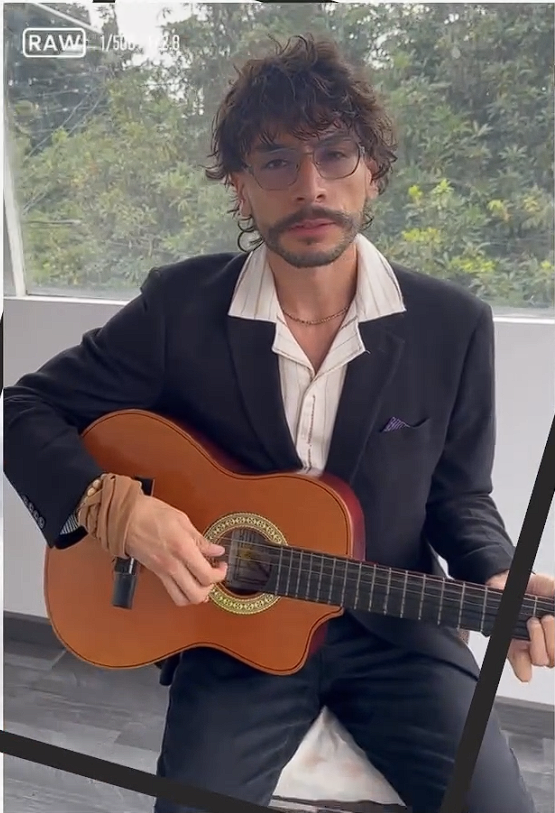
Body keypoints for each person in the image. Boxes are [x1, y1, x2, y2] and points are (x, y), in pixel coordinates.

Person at [4, 34, 553, 813]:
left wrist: (498, 570)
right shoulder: (179, 308)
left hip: (397, 634)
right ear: (240, 187)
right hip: (231, 635)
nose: (309, 186)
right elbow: (22, 410)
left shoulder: (451, 325)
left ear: (371, 172)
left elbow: (459, 498)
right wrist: (120, 510)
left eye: (334, 154)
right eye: (274, 161)